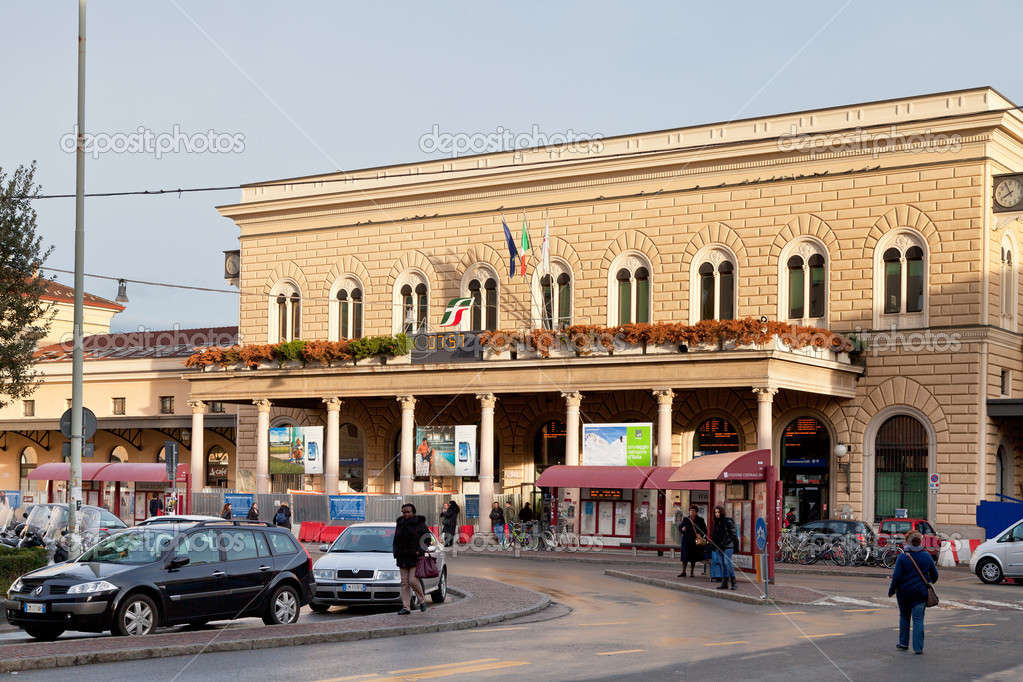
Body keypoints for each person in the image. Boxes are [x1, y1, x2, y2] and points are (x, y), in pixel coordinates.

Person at [888, 531, 938, 654]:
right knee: (918, 620)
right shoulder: (926, 556)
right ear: (920, 541)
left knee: (904, 616)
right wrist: (927, 580)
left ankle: (903, 643)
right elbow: (935, 576)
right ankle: (918, 648)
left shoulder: (902, 557)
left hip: (904, 594)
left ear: (907, 541)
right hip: (920, 593)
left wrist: (891, 591)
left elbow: (897, 577)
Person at [393, 503, 430, 615]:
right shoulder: (400, 523)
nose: (406, 514)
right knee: (404, 582)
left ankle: (422, 600)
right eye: (404, 512)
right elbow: (396, 539)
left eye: (408, 512)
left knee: (412, 580)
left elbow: (427, 538)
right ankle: (406, 607)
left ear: (413, 512)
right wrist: (396, 551)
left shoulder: (419, 523)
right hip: (402, 556)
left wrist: (420, 550)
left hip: (415, 556)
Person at [710, 505, 738, 590]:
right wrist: (713, 543)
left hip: (728, 546)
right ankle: (725, 582)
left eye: (718, 512)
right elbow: (714, 534)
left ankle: (733, 582)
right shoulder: (716, 523)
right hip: (719, 545)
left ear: (722, 512)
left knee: (727, 563)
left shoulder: (728, 521)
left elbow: (733, 534)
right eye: (715, 512)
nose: (717, 514)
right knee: (722, 564)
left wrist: (725, 542)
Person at [677, 505, 708, 578]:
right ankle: (683, 571)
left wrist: (700, 534)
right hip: (686, 540)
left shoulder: (700, 520)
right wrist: (682, 529)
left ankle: (692, 571)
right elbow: (680, 527)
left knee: (693, 557)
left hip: (694, 541)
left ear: (696, 512)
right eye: (691, 510)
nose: (692, 512)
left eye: (693, 511)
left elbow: (704, 530)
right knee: (684, 557)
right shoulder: (686, 519)